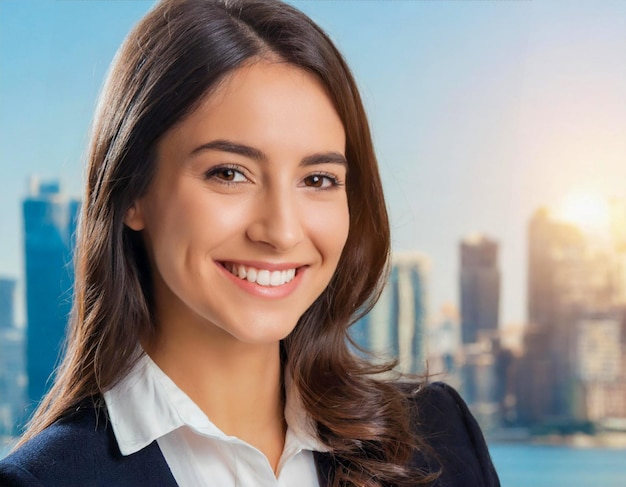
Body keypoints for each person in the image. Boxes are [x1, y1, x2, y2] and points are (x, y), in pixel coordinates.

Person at [0, 1, 500, 486]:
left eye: (319, 179)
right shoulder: (47, 479)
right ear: (133, 192)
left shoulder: (438, 438)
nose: (281, 231)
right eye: (229, 173)